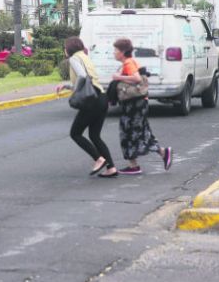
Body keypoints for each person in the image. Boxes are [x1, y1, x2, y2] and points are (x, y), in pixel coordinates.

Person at [56, 37, 117, 178]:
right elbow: (87, 80)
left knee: (75, 133)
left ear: (69, 48)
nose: (64, 50)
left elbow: (82, 77)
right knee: (95, 136)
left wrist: (75, 91)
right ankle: (111, 167)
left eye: (65, 47)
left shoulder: (73, 59)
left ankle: (99, 159)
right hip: (101, 97)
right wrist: (66, 86)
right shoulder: (85, 56)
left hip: (92, 101)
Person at [112, 38, 173, 175]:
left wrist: (118, 78)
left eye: (115, 50)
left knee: (130, 133)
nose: (114, 53)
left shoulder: (128, 63)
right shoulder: (129, 62)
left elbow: (137, 78)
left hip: (135, 104)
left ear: (122, 52)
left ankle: (136, 164)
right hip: (137, 103)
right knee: (139, 132)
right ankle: (152, 157)